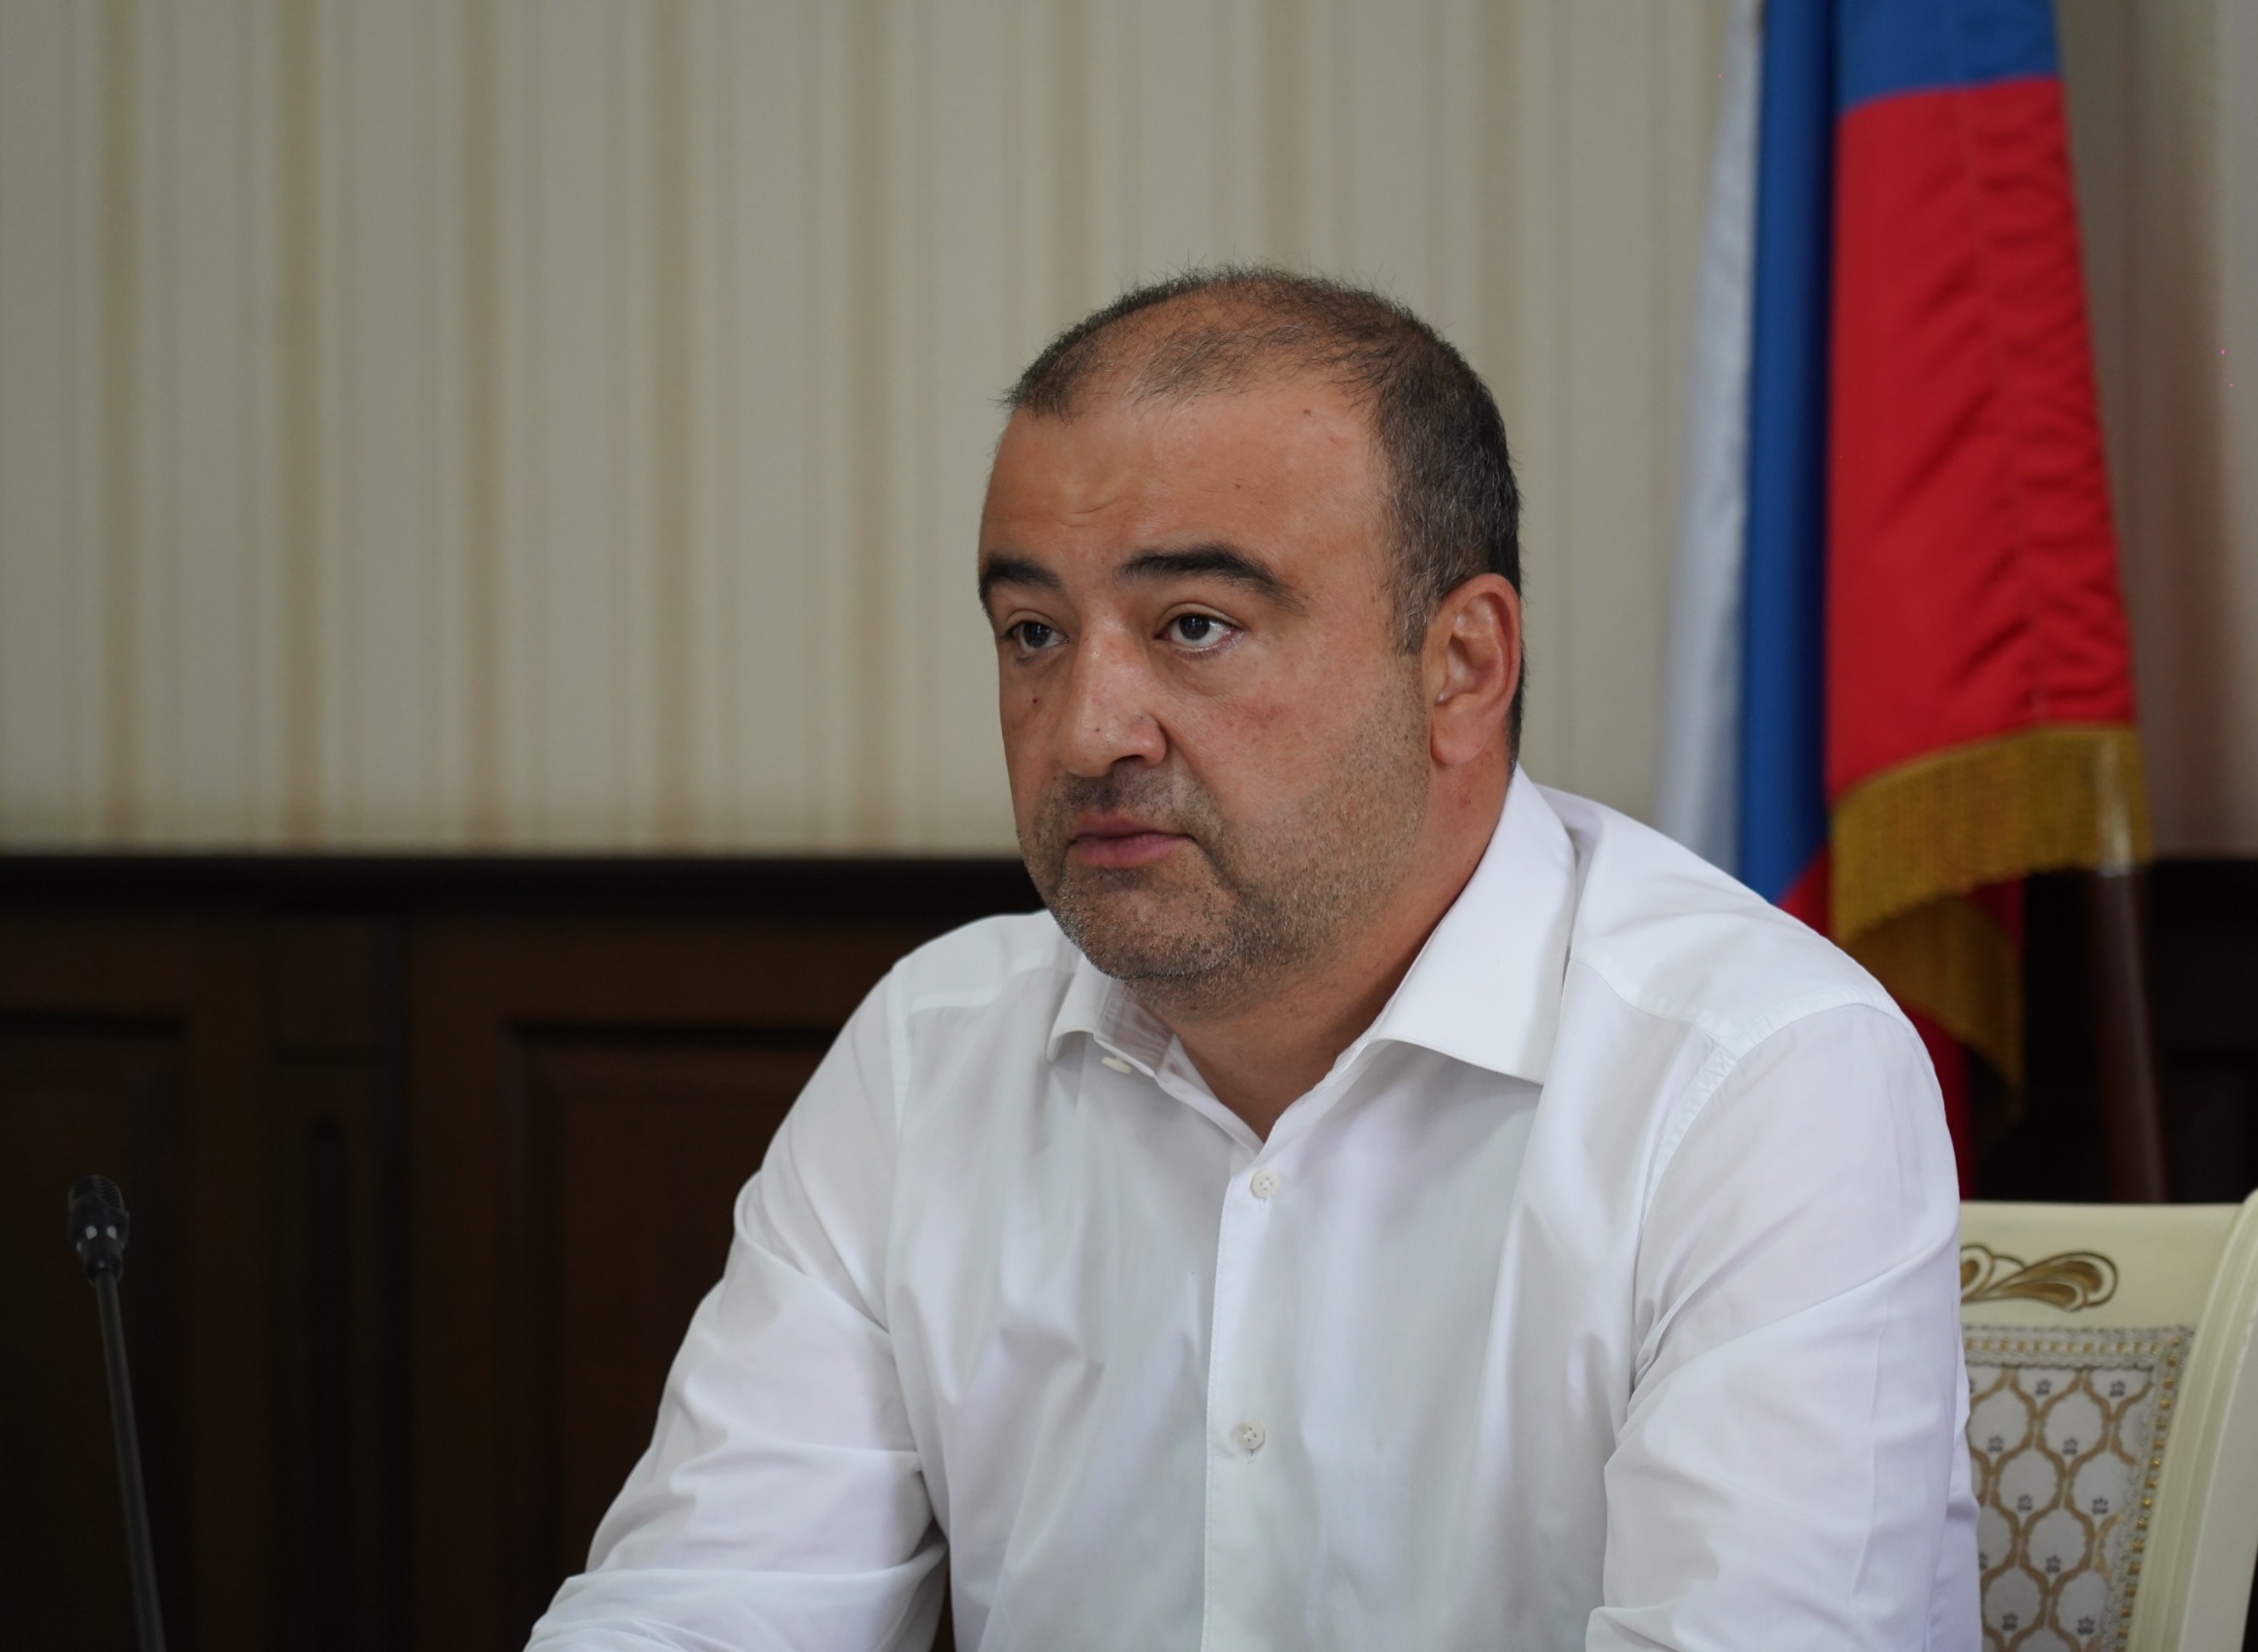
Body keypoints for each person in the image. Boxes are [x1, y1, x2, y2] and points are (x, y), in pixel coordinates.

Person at [526, 269, 1979, 1652]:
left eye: (1196, 626)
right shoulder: (931, 1053)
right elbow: (706, 1604)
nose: (1088, 730)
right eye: (1033, 632)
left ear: (1463, 665)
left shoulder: (1758, 1079)